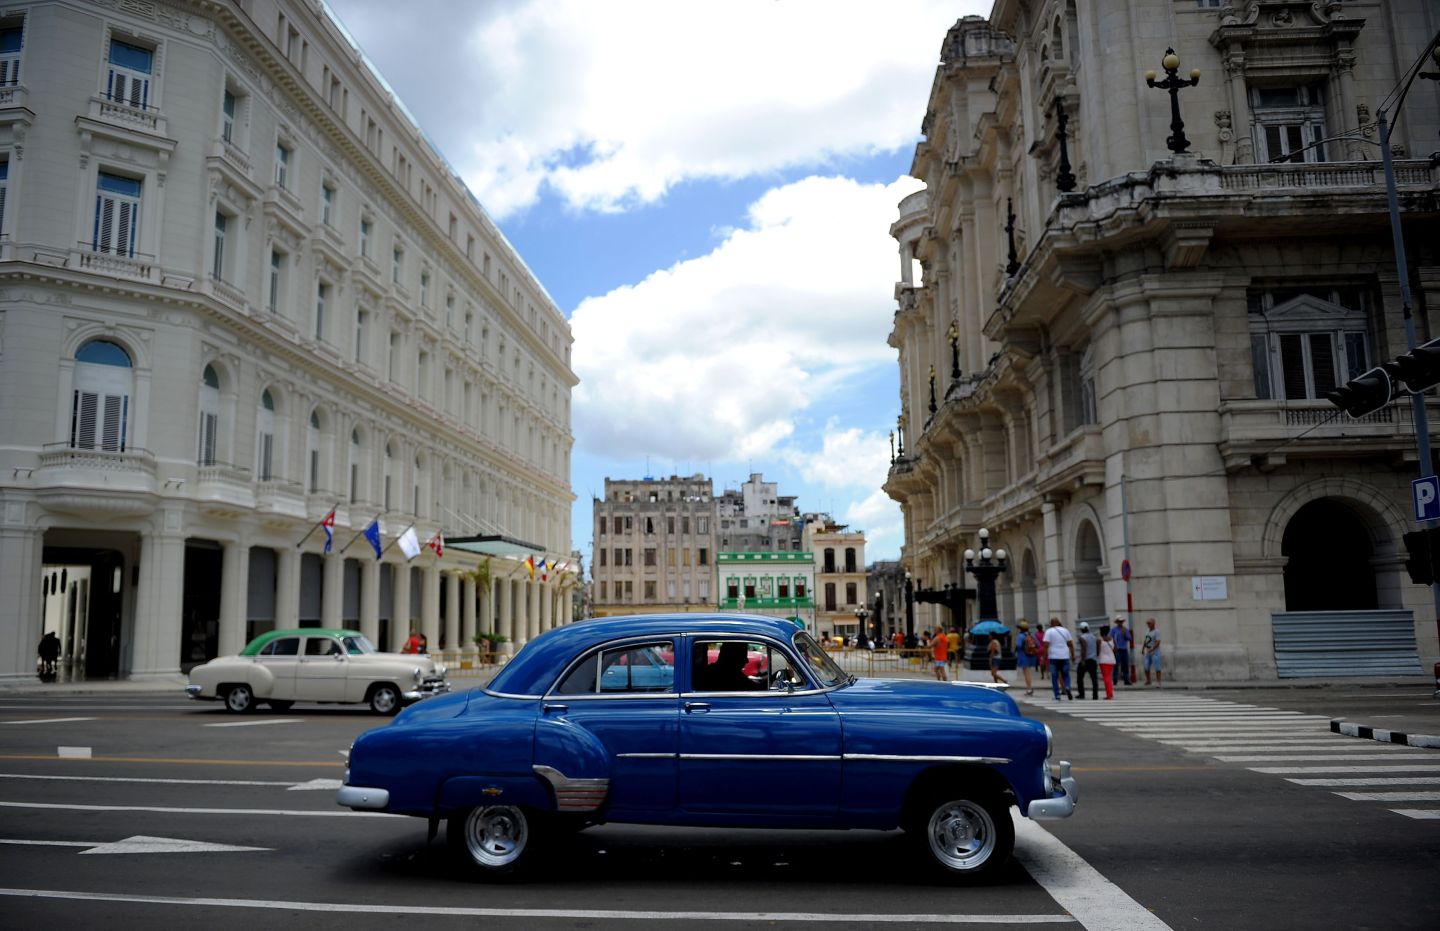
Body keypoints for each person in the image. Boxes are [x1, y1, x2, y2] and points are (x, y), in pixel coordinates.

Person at [1043, 617, 1074, 700]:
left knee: (1054, 676)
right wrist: (1073, 655)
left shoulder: (1049, 631)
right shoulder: (1065, 630)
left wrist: (1044, 656)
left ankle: (1057, 695)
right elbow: (1070, 644)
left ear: (1051, 624)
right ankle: (1067, 687)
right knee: (1066, 674)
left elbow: (1046, 645)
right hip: (1065, 656)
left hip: (1053, 657)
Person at [1014, 619, 1039, 695]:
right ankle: (1029, 688)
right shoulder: (1031, 635)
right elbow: (1038, 644)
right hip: (1031, 656)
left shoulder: (1020, 636)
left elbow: (1018, 646)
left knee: (1026, 673)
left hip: (1023, 656)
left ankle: (1029, 688)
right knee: (1028, 672)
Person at [1076, 621, 1099, 700]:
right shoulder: (1094, 637)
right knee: (1094, 679)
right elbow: (1097, 646)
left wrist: (1082, 660)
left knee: (1080, 677)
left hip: (1086, 660)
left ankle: (1081, 694)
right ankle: (1095, 695)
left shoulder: (1082, 638)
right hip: (1093, 660)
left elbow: (1083, 648)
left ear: (1081, 629)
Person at [1111, 615, 1132, 686]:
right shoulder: (1113, 630)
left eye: (1121, 621)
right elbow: (1110, 638)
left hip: (1124, 649)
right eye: (1119, 621)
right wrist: (1113, 646)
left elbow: (1129, 638)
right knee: (1116, 665)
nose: (1120, 623)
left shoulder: (1125, 629)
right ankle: (1115, 680)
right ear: (1117, 622)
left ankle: (1126, 679)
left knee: (1125, 665)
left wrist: (1125, 633)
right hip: (1117, 650)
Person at [1142, 617, 1162, 686]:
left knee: (1157, 667)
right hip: (1147, 651)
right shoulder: (1147, 631)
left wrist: (1153, 648)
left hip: (1155, 652)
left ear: (1153, 624)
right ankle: (1148, 680)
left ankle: (1158, 681)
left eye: (1149, 623)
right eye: (1147, 623)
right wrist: (1143, 648)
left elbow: (1158, 641)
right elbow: (1146, 640)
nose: (1148, 625)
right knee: (1146, 666)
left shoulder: (1157, 631)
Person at [1098, 627, 1116, 699]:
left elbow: (1097, 652)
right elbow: (1115, 649)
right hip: (1111, 660)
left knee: (1106, 678)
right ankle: (1110, 693)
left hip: (1103, 661)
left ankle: (1109, 695)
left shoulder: (1100, 641)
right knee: (1109, 677)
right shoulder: (1112, 639)